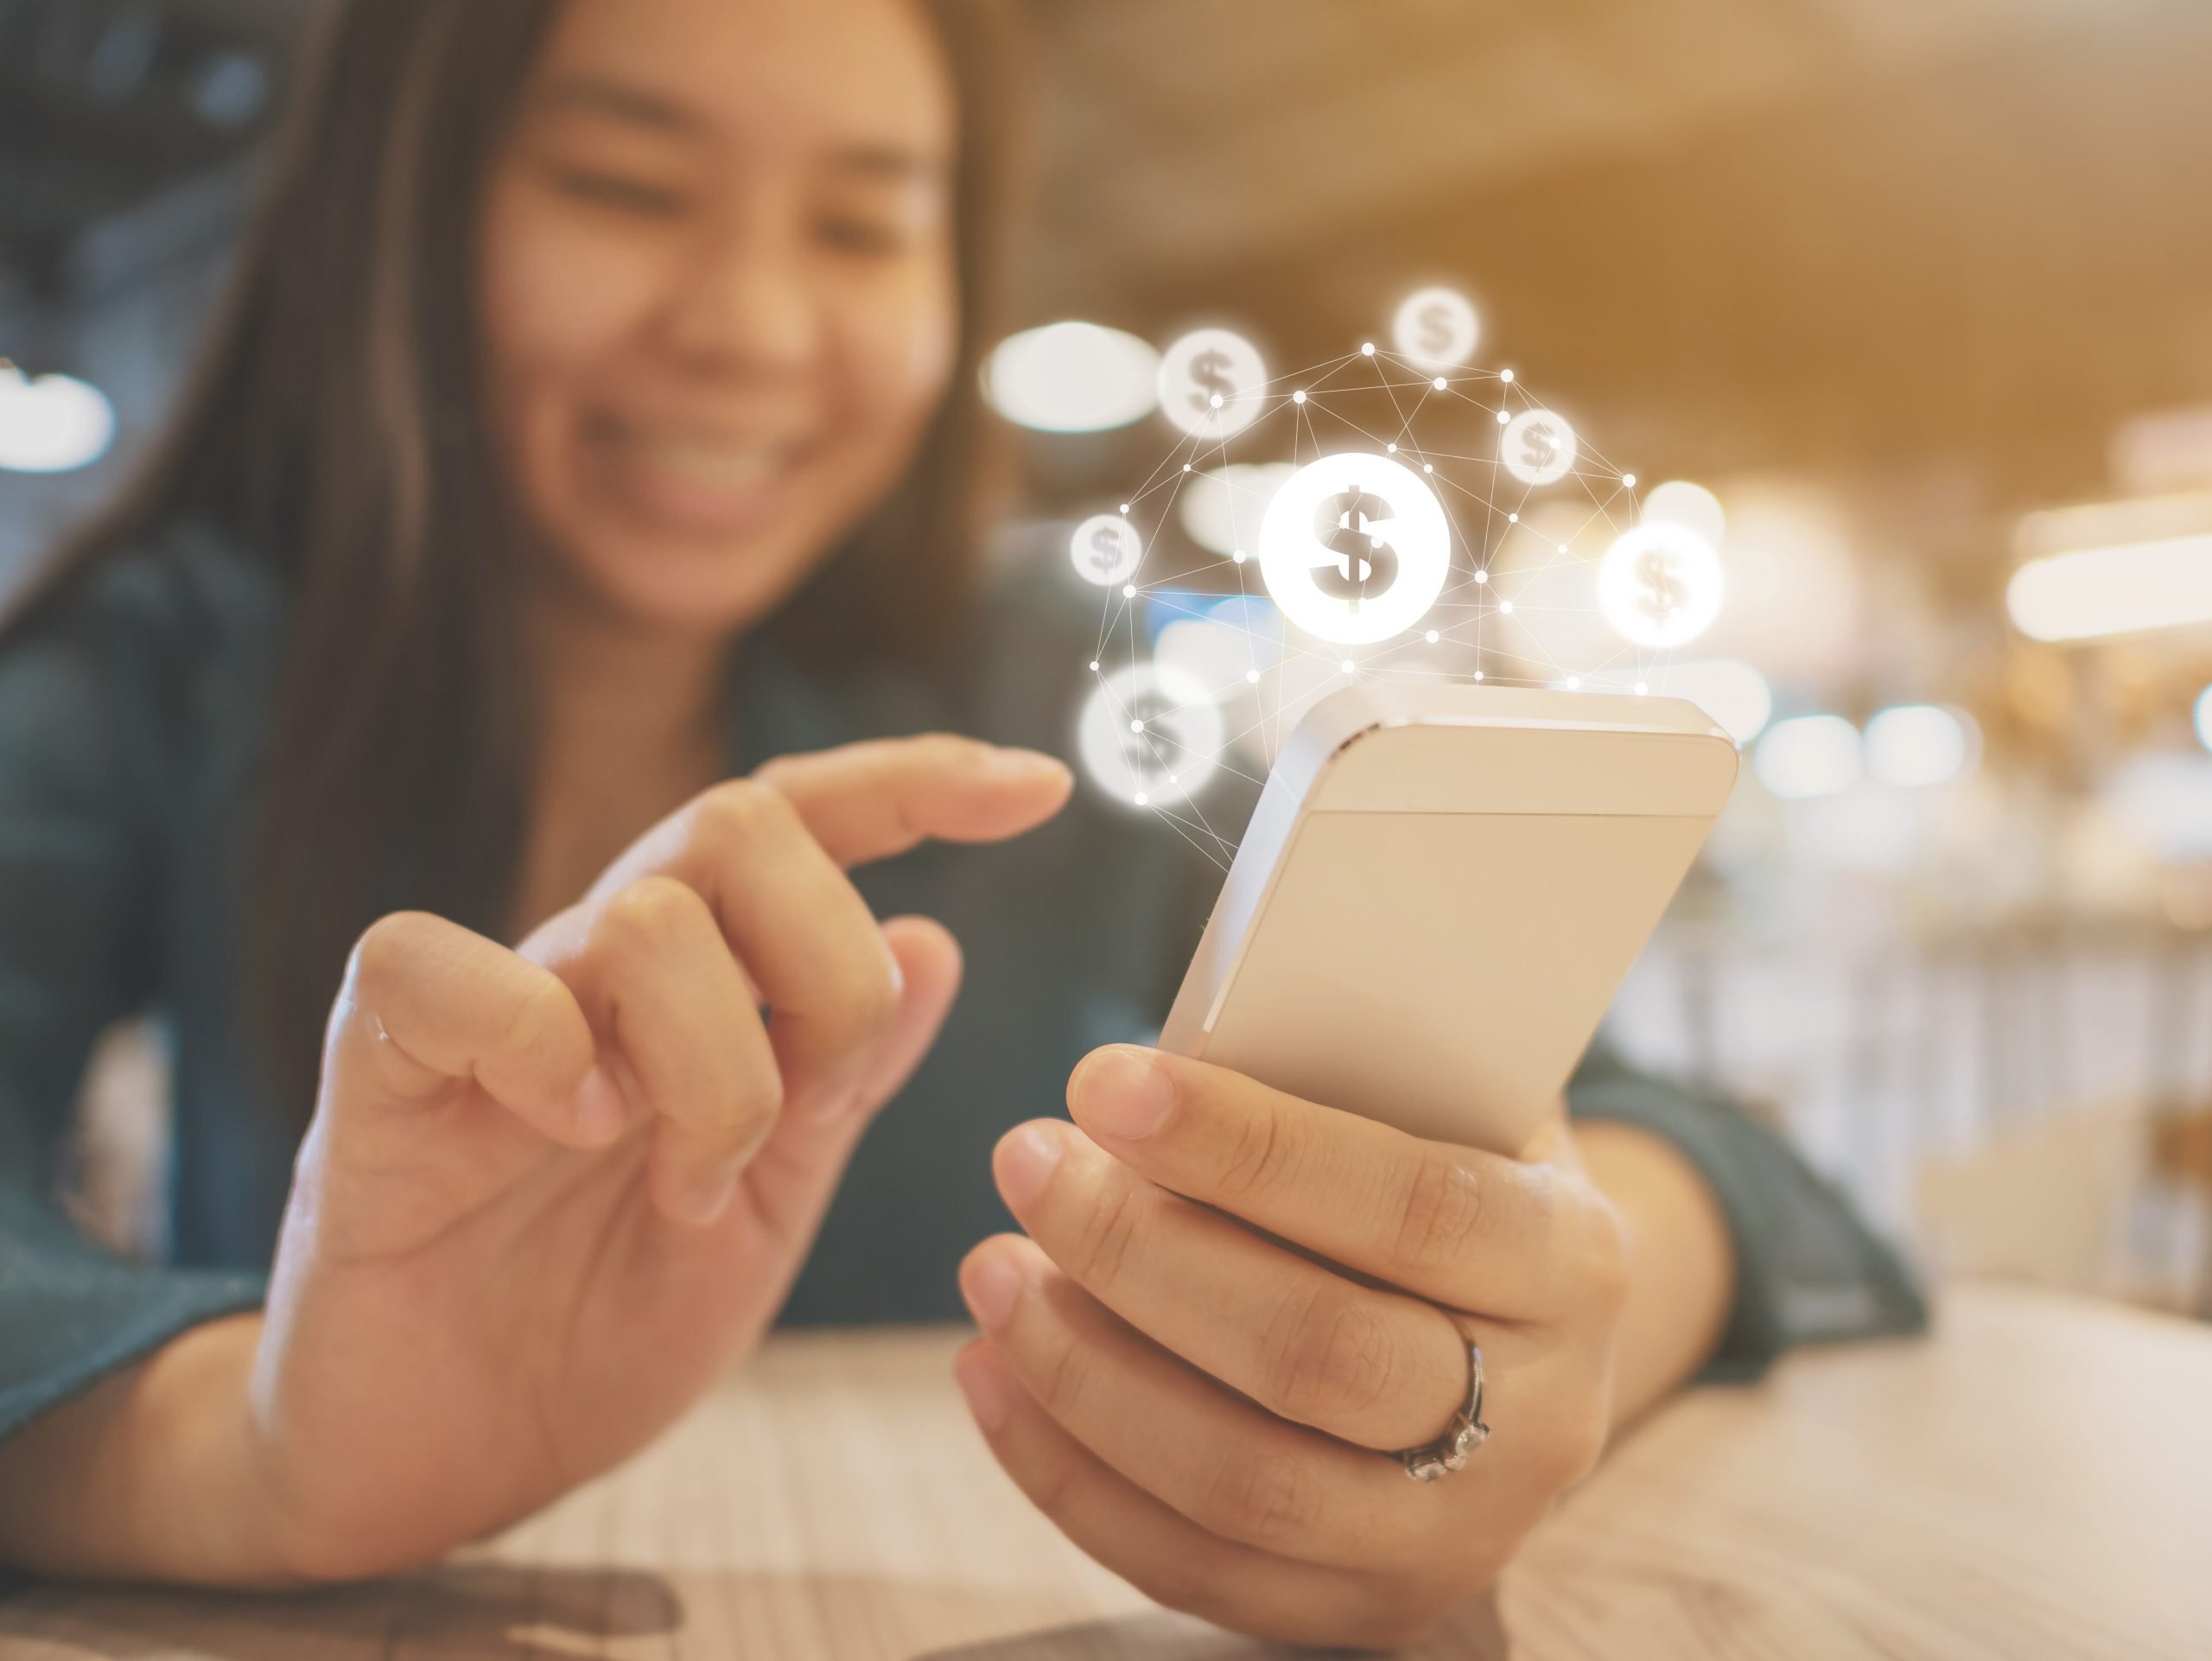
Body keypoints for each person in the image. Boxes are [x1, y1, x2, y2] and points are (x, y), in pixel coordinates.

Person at [0, 0, 1924, 1646]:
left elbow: (1736, 1181)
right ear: (400, 213)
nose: (754, 325)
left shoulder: (1056, 694)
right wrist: (249, 1451)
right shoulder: (168, 658)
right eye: (623, 185)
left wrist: (1532, 1337)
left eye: (863, 221)